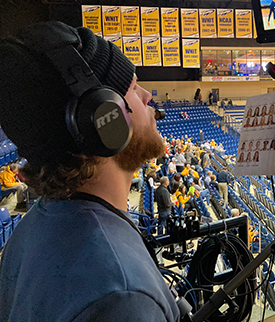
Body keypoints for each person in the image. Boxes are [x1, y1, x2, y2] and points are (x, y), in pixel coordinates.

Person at [0, 22, 179, 320]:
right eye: (133, 87)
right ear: (102, 120)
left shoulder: (31, 229)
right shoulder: (123, 297)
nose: (147, 96)